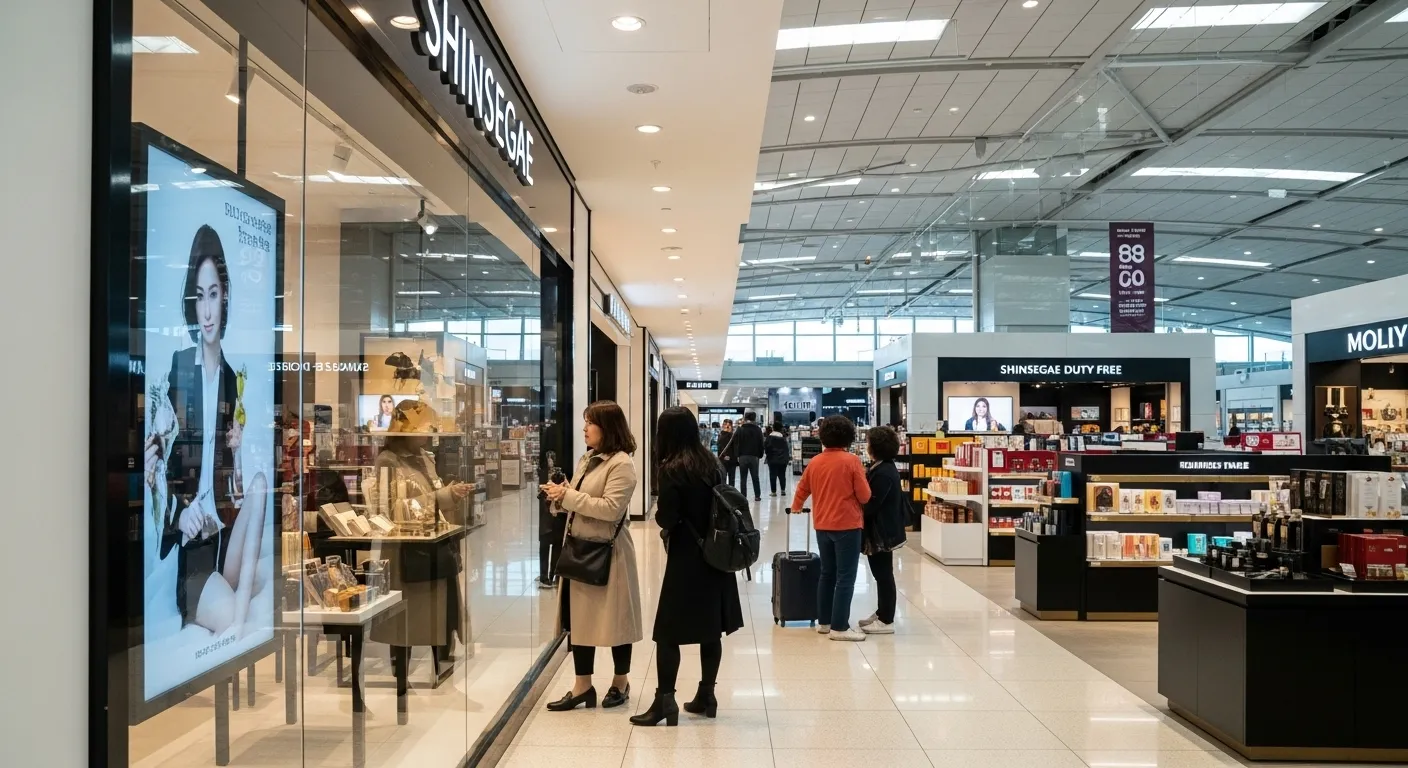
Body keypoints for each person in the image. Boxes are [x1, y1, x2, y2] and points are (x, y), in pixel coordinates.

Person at [144, 225, 269, 638]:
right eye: (200, 296)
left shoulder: (233, 380)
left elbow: (231, 491)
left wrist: (235, 453)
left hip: (225, 540)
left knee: (260, 482)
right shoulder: (179, 368)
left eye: (213, 294)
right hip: (196, 555)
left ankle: (238, 610)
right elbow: (154, 465)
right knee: (233, 608)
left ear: (225, 296)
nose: (208, 310)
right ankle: (235, 620)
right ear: (192, 303)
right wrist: (180, 515)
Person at [630, 407, 745, 727]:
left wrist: (666, 519)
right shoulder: (711, 463)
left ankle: (664, 700)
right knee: (711, 629)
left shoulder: (672, 469)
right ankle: (706, 694)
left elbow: (667, 516)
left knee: (667, 632)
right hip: (716, 555)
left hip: (686, 557)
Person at [540, 401, 642, 712]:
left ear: (607, 428)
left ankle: (620, 681)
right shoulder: (588, 458)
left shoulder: (622, 464)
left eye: (589, 423)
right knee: (580, 620)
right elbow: (579, 498)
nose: (584, 428)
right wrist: (559, 497)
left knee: (615, 620)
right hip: (580, 548)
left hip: (608, 552)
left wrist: (568, 496)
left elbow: (611, 509)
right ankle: (582, 685)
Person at [366, 399, 475, 670]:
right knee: (408, 615)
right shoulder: (388, 461)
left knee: (441, 606)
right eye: (424, 428)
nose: (429, 434)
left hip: (435, 543)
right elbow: (390, 508)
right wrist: (443, 495)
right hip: (405, 549)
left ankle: (441, 655)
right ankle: (401, 663)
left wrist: (452, 496)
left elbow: (431, 494)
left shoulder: (426, 458)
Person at [791, 416, 871, 641]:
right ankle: (839, 627)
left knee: (827, 574)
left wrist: (796, 506)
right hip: (847, 525)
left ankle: (824, 622)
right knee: (845, 577)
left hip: (822, 524)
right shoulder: (852, 461)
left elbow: (802, 488)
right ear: (849, 436)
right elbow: (864, 496)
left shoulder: (815, 462)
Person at [858, 426, 907, 635]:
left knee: (883, 574)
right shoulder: (880, 467)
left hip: (882, 533)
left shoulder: (884, 472)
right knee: (881, 574)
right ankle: (881, 613)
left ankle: (886, 619)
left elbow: (872, 504)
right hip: (881, 530)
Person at [731, 412, 766, 501]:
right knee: (755, 477)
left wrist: (737, 455)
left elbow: (736, 443)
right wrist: (760, 454)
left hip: (742, 456)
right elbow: (761, 443)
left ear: (745, 418)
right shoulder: (757, 429)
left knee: (743, 477)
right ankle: (757, 495)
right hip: (754, 456)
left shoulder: (740, 429)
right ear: (754, 419)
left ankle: (743, 496)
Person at [764, 423, 791, 497]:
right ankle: (783, 490)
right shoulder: (783, 438)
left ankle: (773, 492)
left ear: (773, 428)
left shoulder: (769, 438)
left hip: (772, 459)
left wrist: (769, 456)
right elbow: (786, 450)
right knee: (782, 475)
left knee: (773, 475)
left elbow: (766, 448)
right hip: (782, 460)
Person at [716, 419, 737, 486]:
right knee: (723, 479)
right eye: (725, 425)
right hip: (723, 461)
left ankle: (730, 494)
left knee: (731, 480)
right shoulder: (721, 435)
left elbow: (736, 447)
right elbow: (719, 447)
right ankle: (724, 494)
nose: (727, 427)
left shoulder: (733, 436)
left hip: (731, 460)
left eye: (729, 425)